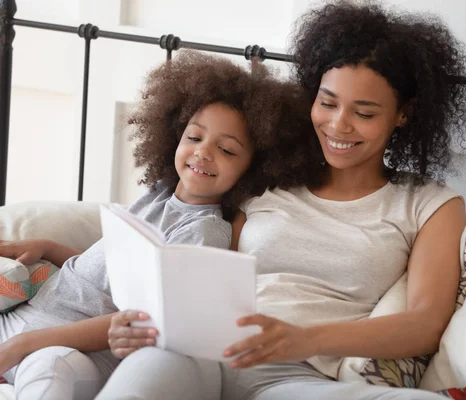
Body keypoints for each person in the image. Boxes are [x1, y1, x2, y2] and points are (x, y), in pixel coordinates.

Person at [97, 1, 466, 399]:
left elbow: (426, 325)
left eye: (363, 113)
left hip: (294, 378)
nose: (338, 125)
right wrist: (138, 321)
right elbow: (194, 261)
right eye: (327, 103)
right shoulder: (270, 173)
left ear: (404, 114)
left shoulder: (430, 205)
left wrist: (307, 340)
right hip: (197, 351)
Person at [0, 51, 321, 400]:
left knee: (49, 373)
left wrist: (24, 344)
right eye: (195, 138)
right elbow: (114, 273)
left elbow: (148, 316)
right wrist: (51, 249)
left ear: (254, 168)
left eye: (227, 150)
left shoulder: (204, 232)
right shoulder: (159, 194)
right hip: (26, 318)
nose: (202, 153)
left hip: (72, 349)